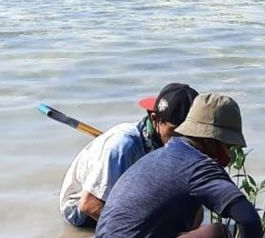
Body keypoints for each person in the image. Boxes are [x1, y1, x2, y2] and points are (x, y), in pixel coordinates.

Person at [89, 93, 262, 238]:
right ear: (211, 140)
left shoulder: (162, 156)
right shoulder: (198, 166)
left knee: (194, 217)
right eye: (229, 146)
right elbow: (248, 218)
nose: (230, 156)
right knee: (220, 236)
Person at [59, 83, 199, 227]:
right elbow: (89, 205)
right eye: (175, 133)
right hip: (82, 211)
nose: (183, 139)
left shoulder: (163, 141)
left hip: (125, 194)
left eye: (189, 134)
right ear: (155, 119)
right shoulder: (122, 147)